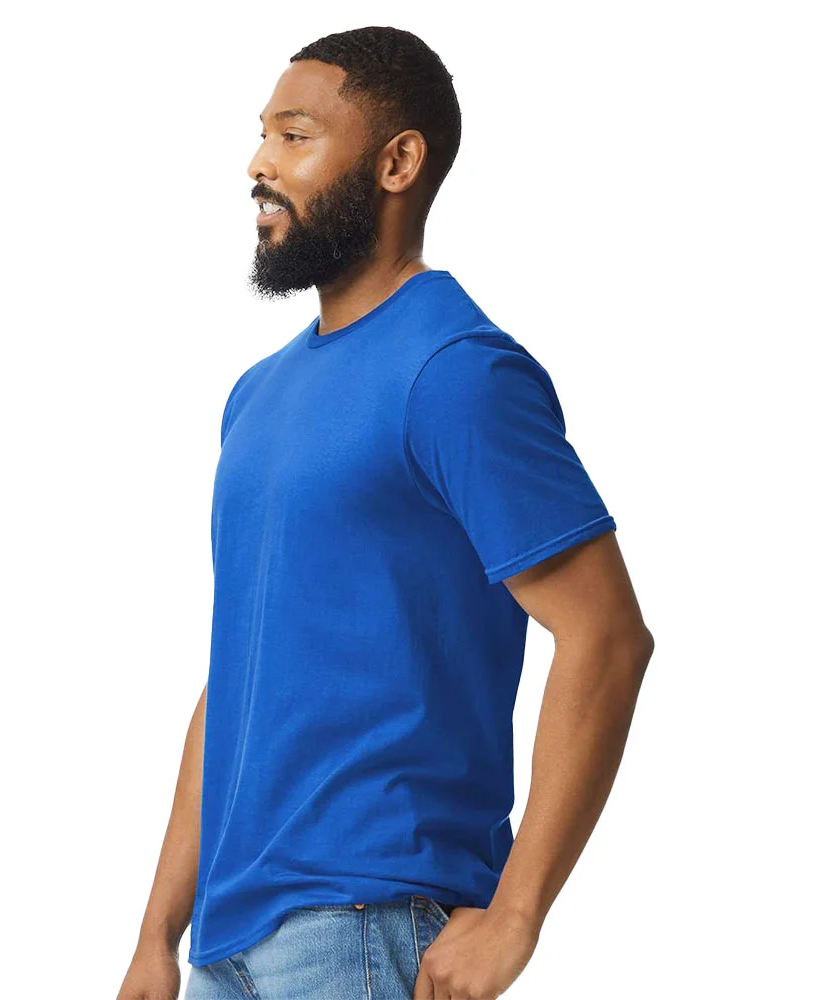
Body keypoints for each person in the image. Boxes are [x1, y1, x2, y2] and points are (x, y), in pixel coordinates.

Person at [118, 25, 654, 1000]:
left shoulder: (455, 372)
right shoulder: (256, 395)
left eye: (293, 136)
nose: (258, 163)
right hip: (227, 945)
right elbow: (240, 673)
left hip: (364, 928)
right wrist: (159, 932)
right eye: (261, 134)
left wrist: (517, 915)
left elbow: (606, 635)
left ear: (397, 162)